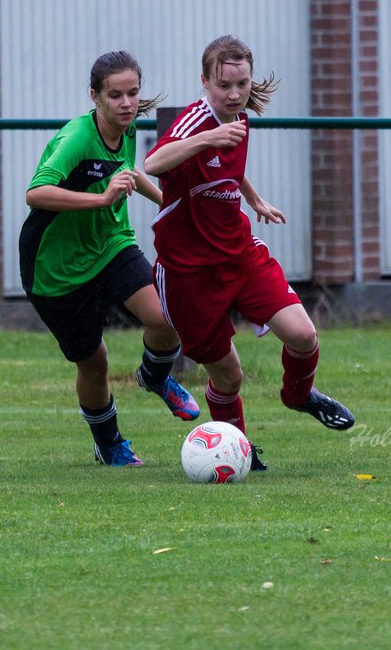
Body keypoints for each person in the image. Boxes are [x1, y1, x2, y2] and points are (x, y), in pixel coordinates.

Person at [144, 35, 354, 471]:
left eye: (242, 83)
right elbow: (154, 163)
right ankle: (238, 450)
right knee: (229, 376)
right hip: (188, 274)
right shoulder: (196, 123)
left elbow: (227, 168)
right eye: (224, 85)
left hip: (238, 254)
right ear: (205, 82)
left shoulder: (238, 119)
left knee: (304, 335)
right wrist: (209, 138)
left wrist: (253, 198)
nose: (235, 94)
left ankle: (298, 395)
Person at [19, 50, 200, 467]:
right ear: (94, 96)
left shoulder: (130, 127)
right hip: (56, 268)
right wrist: (101, 198)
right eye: (115, 95)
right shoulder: (76, 139)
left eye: (133, 93)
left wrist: (170, 206)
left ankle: (154, 377)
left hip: (111, 244)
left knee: (167, 315)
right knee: (94, 361)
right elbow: (35, 192)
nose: (126, 103)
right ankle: (109, 442)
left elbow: (128, 170)